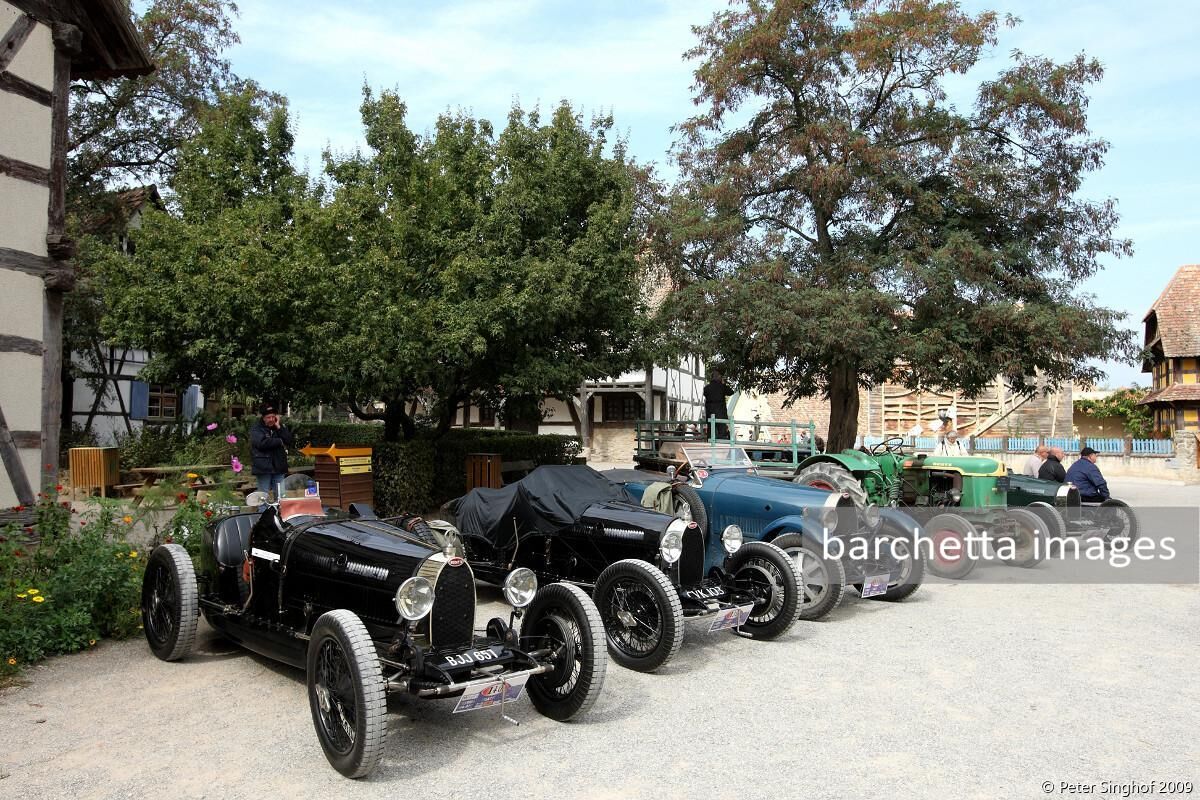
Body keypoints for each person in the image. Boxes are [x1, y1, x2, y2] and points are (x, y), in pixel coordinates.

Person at [250, 403, 293, 499]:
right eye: (268, 417)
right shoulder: (257, 429)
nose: (271, 420)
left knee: (281, 495)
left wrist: (279, 427)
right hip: (263, 467)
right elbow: (261, 443)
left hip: (279, 466)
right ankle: (262, 513)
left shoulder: (279, 427)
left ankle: (280, 513)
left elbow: (289, 440)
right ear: (263, 418)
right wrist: (279, 441)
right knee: (263, 496)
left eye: (273, 417)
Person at [702, 368, 734, 440]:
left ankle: (710, 445)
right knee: (722, 433)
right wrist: (723, 383)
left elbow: (705, 394)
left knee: (711, 432)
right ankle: (722, 447)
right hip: (721, 413)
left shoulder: (707, 388)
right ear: (719, 377)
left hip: (710, 413)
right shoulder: (722, 387)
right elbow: (731, 392)